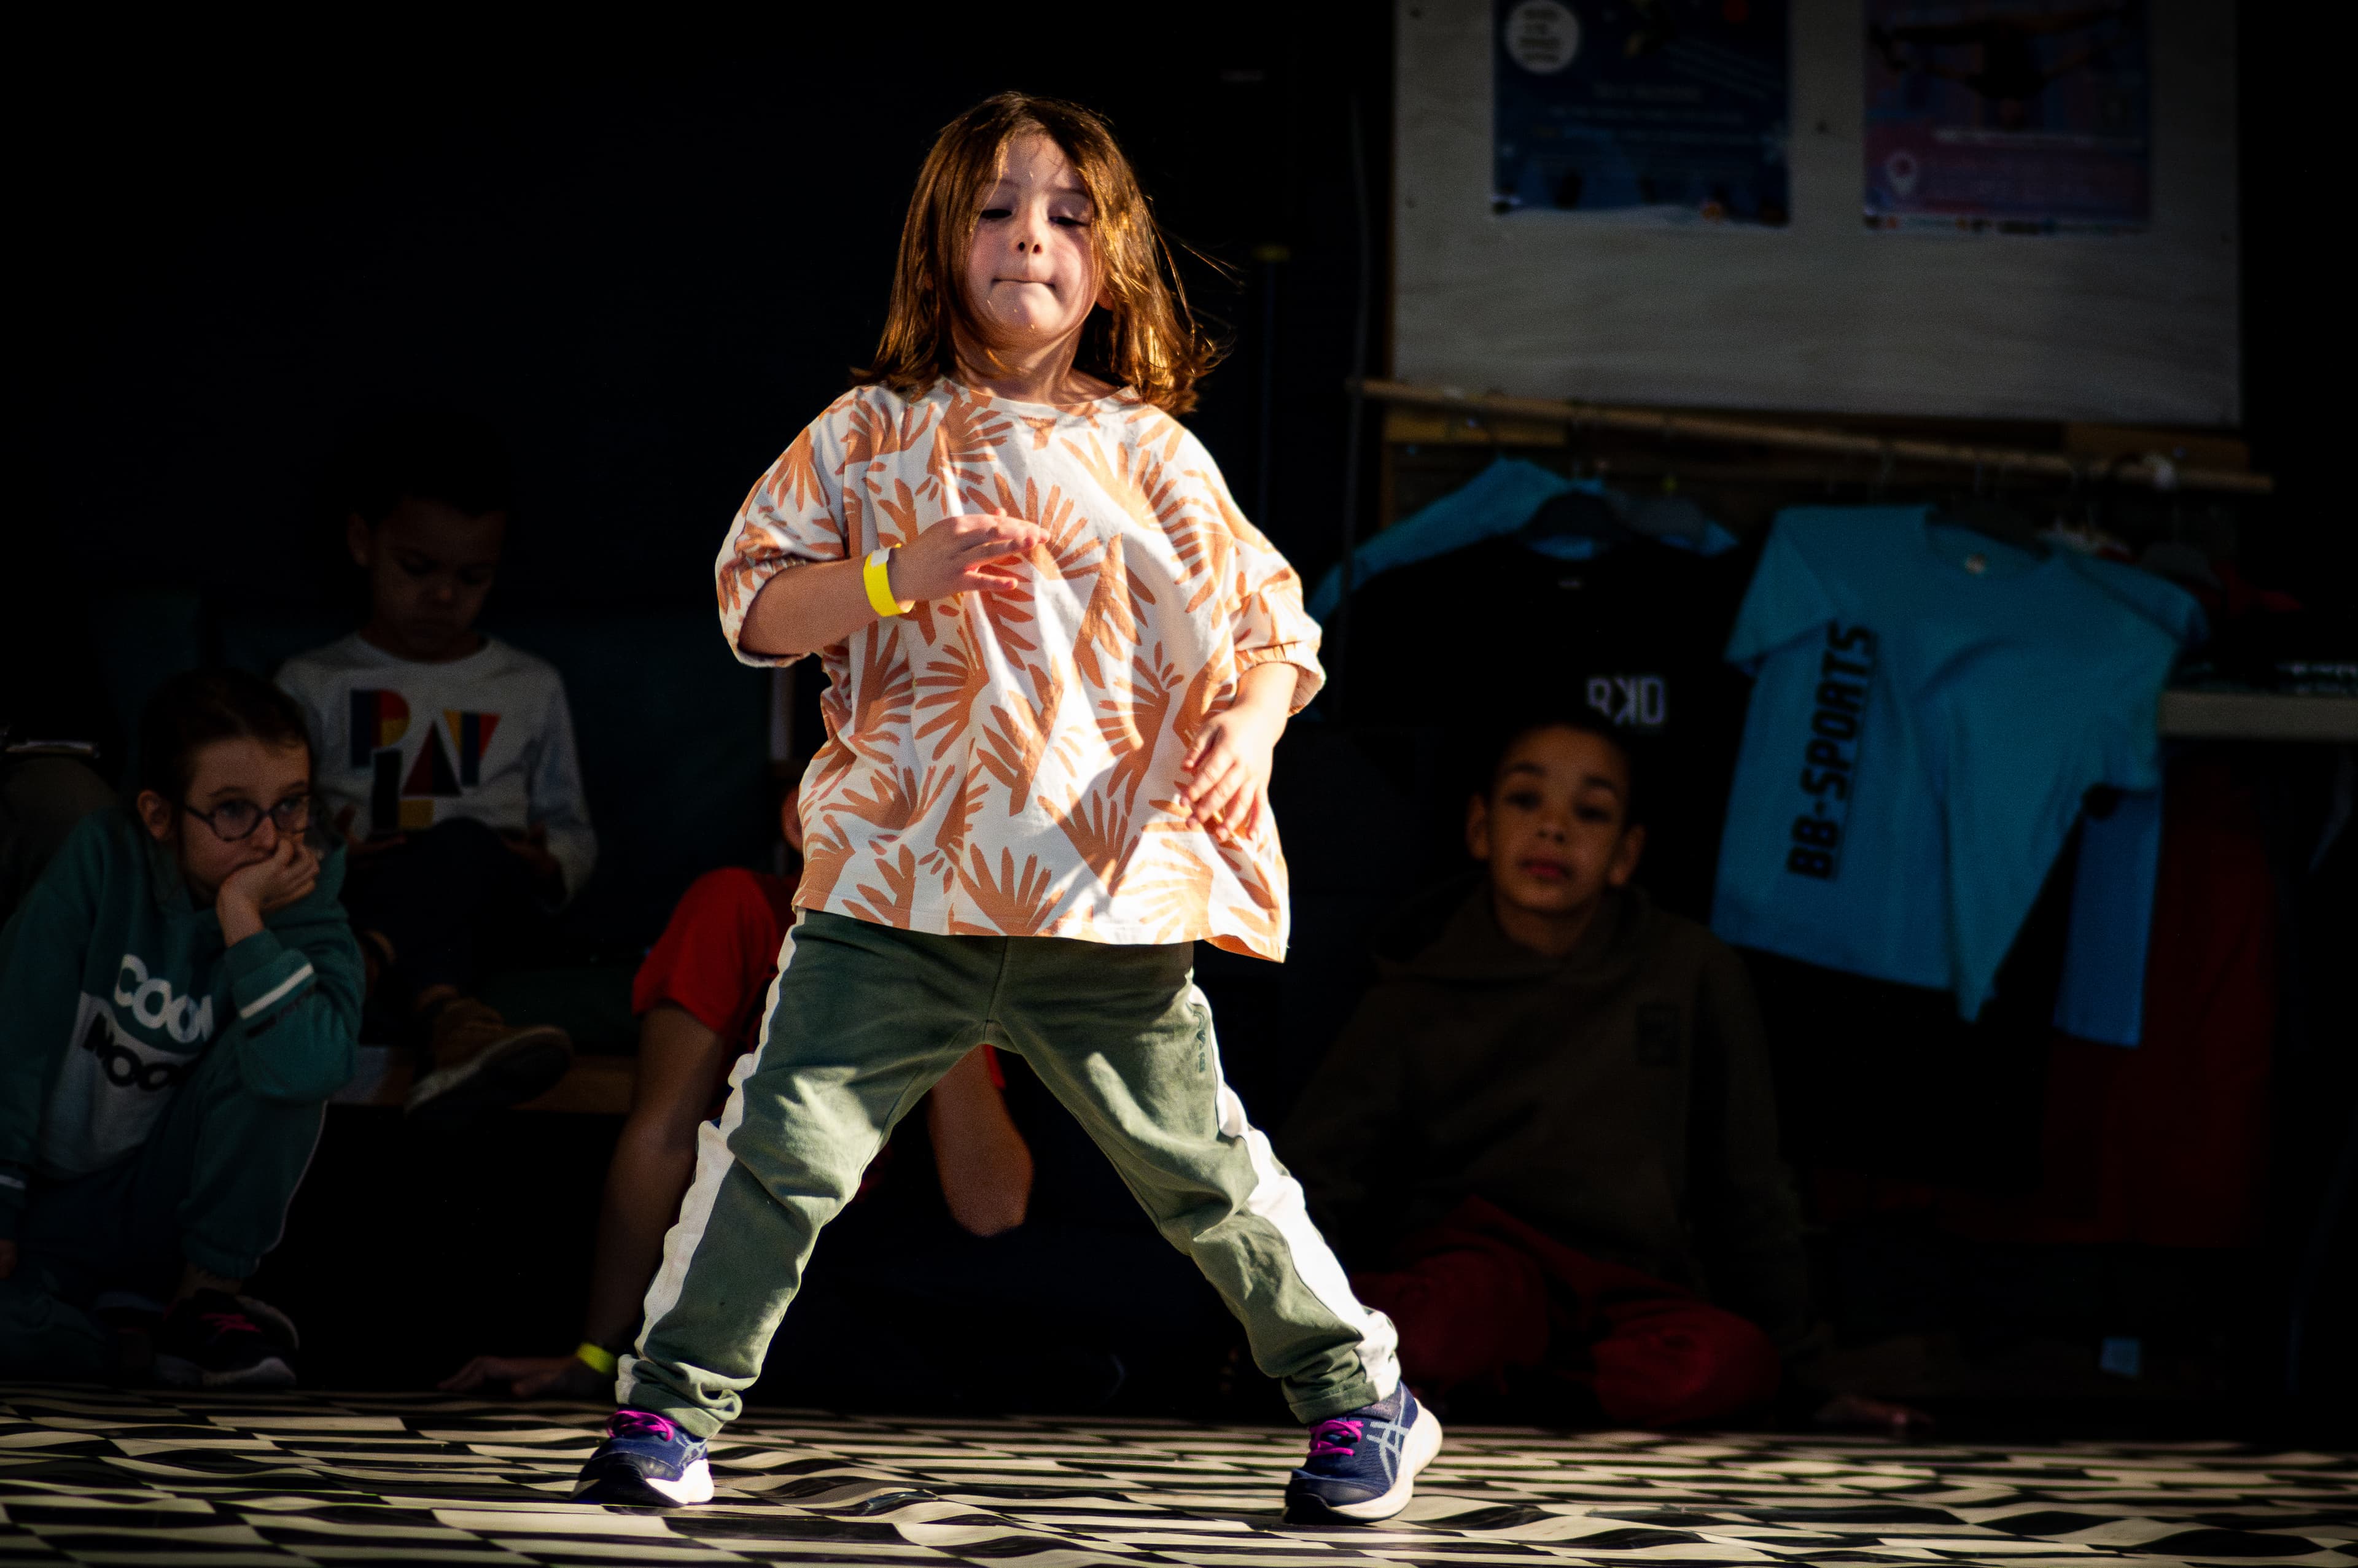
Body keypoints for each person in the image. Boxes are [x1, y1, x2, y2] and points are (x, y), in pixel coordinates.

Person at [570, 92, 1438, 1525]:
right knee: (777, 1154)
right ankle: (669, 1407)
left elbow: (1275, 629)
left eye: (1066, 214)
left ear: (1109, 262)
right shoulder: (866, 433)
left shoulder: (1148, 450)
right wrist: (886, 578)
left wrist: (1244, 726)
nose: (1028, 236)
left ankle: (1362, 1395)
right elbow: (753, 607)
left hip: (1095, 903)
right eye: (994, 208)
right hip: (892, 898)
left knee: (1200, 1174)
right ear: (940, 245)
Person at [1283, 714, 1818, 1428]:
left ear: (1626, 853)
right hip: (1481, 1271)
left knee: (1729, 1364)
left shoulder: (1688, 970)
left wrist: (1802, 1369)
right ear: (1481, 828)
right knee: (1443, 1325)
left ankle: (1512, 1392)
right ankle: (1474, 1374)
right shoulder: (1419, 981)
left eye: (1590, 812)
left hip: (1628, 1288)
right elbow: (1324, 1167)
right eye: (1526, 800)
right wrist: (1284, 1332)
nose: (1554, 829)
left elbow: (1746, 1180)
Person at [439, 790, 1052, 1402]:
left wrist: (935, 978)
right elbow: (662, 1137)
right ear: (802, 821)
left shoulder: (941, 951)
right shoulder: (740, 906)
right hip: (726, 1242)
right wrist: (597, 1354)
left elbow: (993, 1210)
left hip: (849, 1254)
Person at [0, 669, 362, 1387]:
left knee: (282, 1047)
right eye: (232, 810)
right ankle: (125, 1339)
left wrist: (243, 918)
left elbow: (310, 1069)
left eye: (290, 805)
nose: (270, 839)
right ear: (160, 815)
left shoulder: (301, 892)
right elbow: (17, 1032)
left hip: (165, 1202)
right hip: (45, 1206)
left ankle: (202, 1307)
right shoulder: (102, 859)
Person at [276, 410, 594, 1131]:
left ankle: (361, 965)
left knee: (464, 843)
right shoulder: (313, 681)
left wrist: (550, 863)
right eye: (417, 569)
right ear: (363, 542)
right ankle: (452, 1021)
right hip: (363, 885)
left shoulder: (527, 684)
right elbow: (282, 818)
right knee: (406, 874)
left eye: (472, 576)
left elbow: (572, 827)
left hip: (493, 895)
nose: (445, 596)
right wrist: (327, 852)